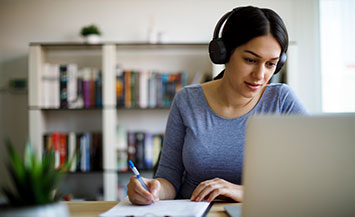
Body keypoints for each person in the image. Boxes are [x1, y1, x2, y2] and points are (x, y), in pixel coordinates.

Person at [127, 5, 308, 205]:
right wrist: (152, 188)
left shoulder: (282, 101)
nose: (260, 75)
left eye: (270, 64)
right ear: (223, 53)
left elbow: (312, 176)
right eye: (250, 60)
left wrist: (243, 192)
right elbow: (169, 179)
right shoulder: (187, 101)